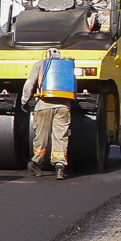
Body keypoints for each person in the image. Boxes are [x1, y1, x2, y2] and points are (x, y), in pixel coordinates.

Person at [24, 48, 76, 180]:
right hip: (63, 107)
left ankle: (37, 164)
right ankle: (60, 166)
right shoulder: (67, 66)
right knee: (61, 136)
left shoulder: (40, 65)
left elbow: (29, 84)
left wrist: (24, 100)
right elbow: (74, 85)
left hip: (43, 106)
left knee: (42, 136)